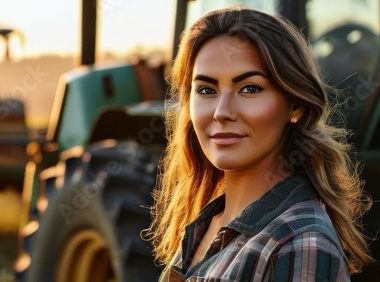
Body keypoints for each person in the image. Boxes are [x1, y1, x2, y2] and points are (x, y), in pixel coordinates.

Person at [145, 5, 374, 281]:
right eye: (206, 90)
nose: (221, 112)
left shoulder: (299, 244)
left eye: (250, 88)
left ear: (296, 105)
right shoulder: (206, 225)